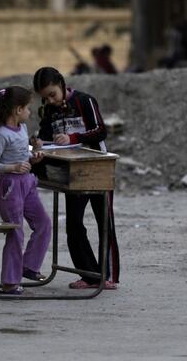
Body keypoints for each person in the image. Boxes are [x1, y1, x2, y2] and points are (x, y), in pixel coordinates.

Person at [32, 66, 120, 289]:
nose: (50, 100)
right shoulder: (48, 110)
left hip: (98, 168)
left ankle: (108, 276)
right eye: (45, 98)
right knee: (73, 224)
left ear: (61, 84)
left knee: (104, 223)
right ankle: (89, 274)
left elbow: (100, 130)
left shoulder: (84, 101)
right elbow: (43, 135)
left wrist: (73, 137)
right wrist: (39, 142)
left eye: (52, 94)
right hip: (71, 172)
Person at [0, 86, 52, 296]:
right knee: (15, 232)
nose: (30, 112)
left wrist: (34, 155)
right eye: (27, 108)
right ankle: (9, 283)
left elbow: (24, 154)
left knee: (43, 223)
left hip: (28, 183)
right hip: (10, 186)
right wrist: (12, 168)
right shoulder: (1, 135)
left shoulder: (22, 129)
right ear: (17, 110)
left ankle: (29, 267)